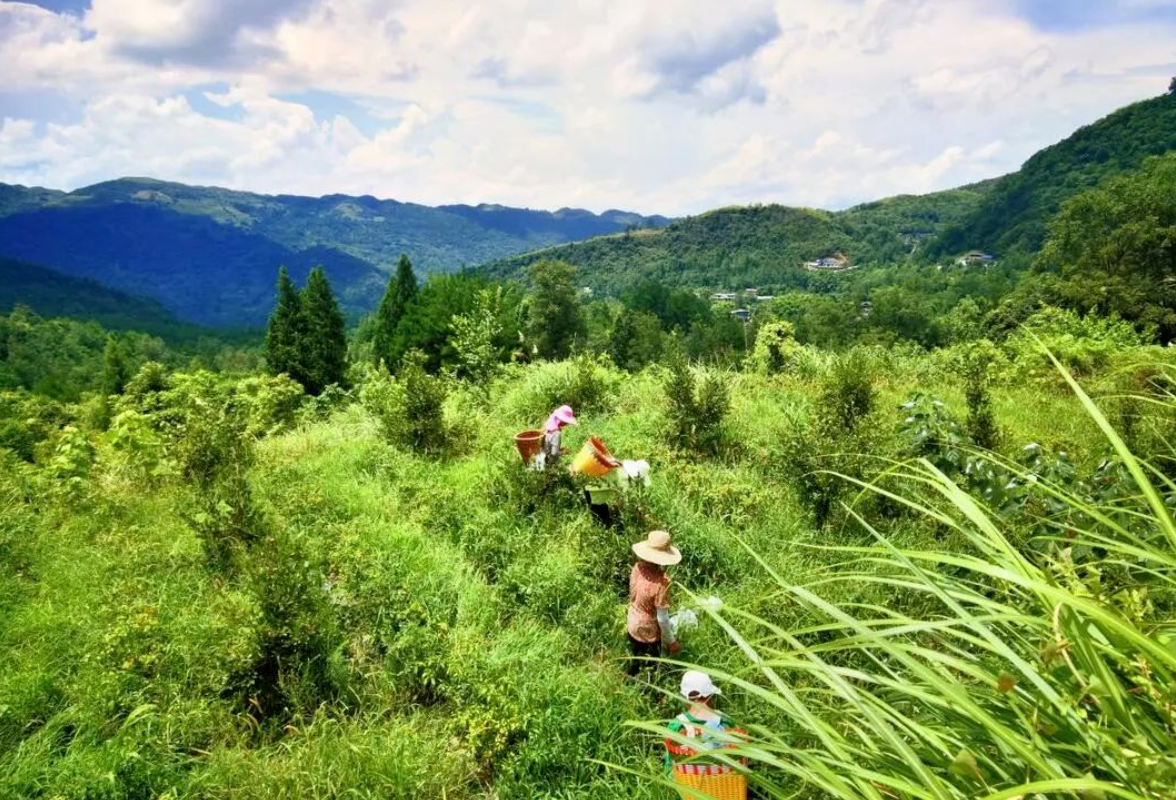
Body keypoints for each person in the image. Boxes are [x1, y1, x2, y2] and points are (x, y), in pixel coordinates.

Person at [664, 671, 748, 798]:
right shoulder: (725, 721)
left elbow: (669, 767)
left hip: (691, 791)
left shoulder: (677, 726)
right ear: (710, 695)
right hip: (725, 789)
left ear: (685, 697)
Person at [627, 530, 681, 676]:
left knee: (636, 656)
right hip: (648, 631)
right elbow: (662, 619)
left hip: (632, 621)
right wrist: (671, 641)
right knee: (651, 667)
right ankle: (651, 693)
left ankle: (630, 678)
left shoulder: (637, 568)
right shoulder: (661, 583)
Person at [539, 404, 577, 468]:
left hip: (541, 458)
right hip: (549, 464)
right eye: (566, 421)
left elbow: (547, 445)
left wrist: (560, 448)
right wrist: (564, 452)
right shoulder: (556, 433)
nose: (567, 424)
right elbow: (554, 453)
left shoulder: (547, 426)